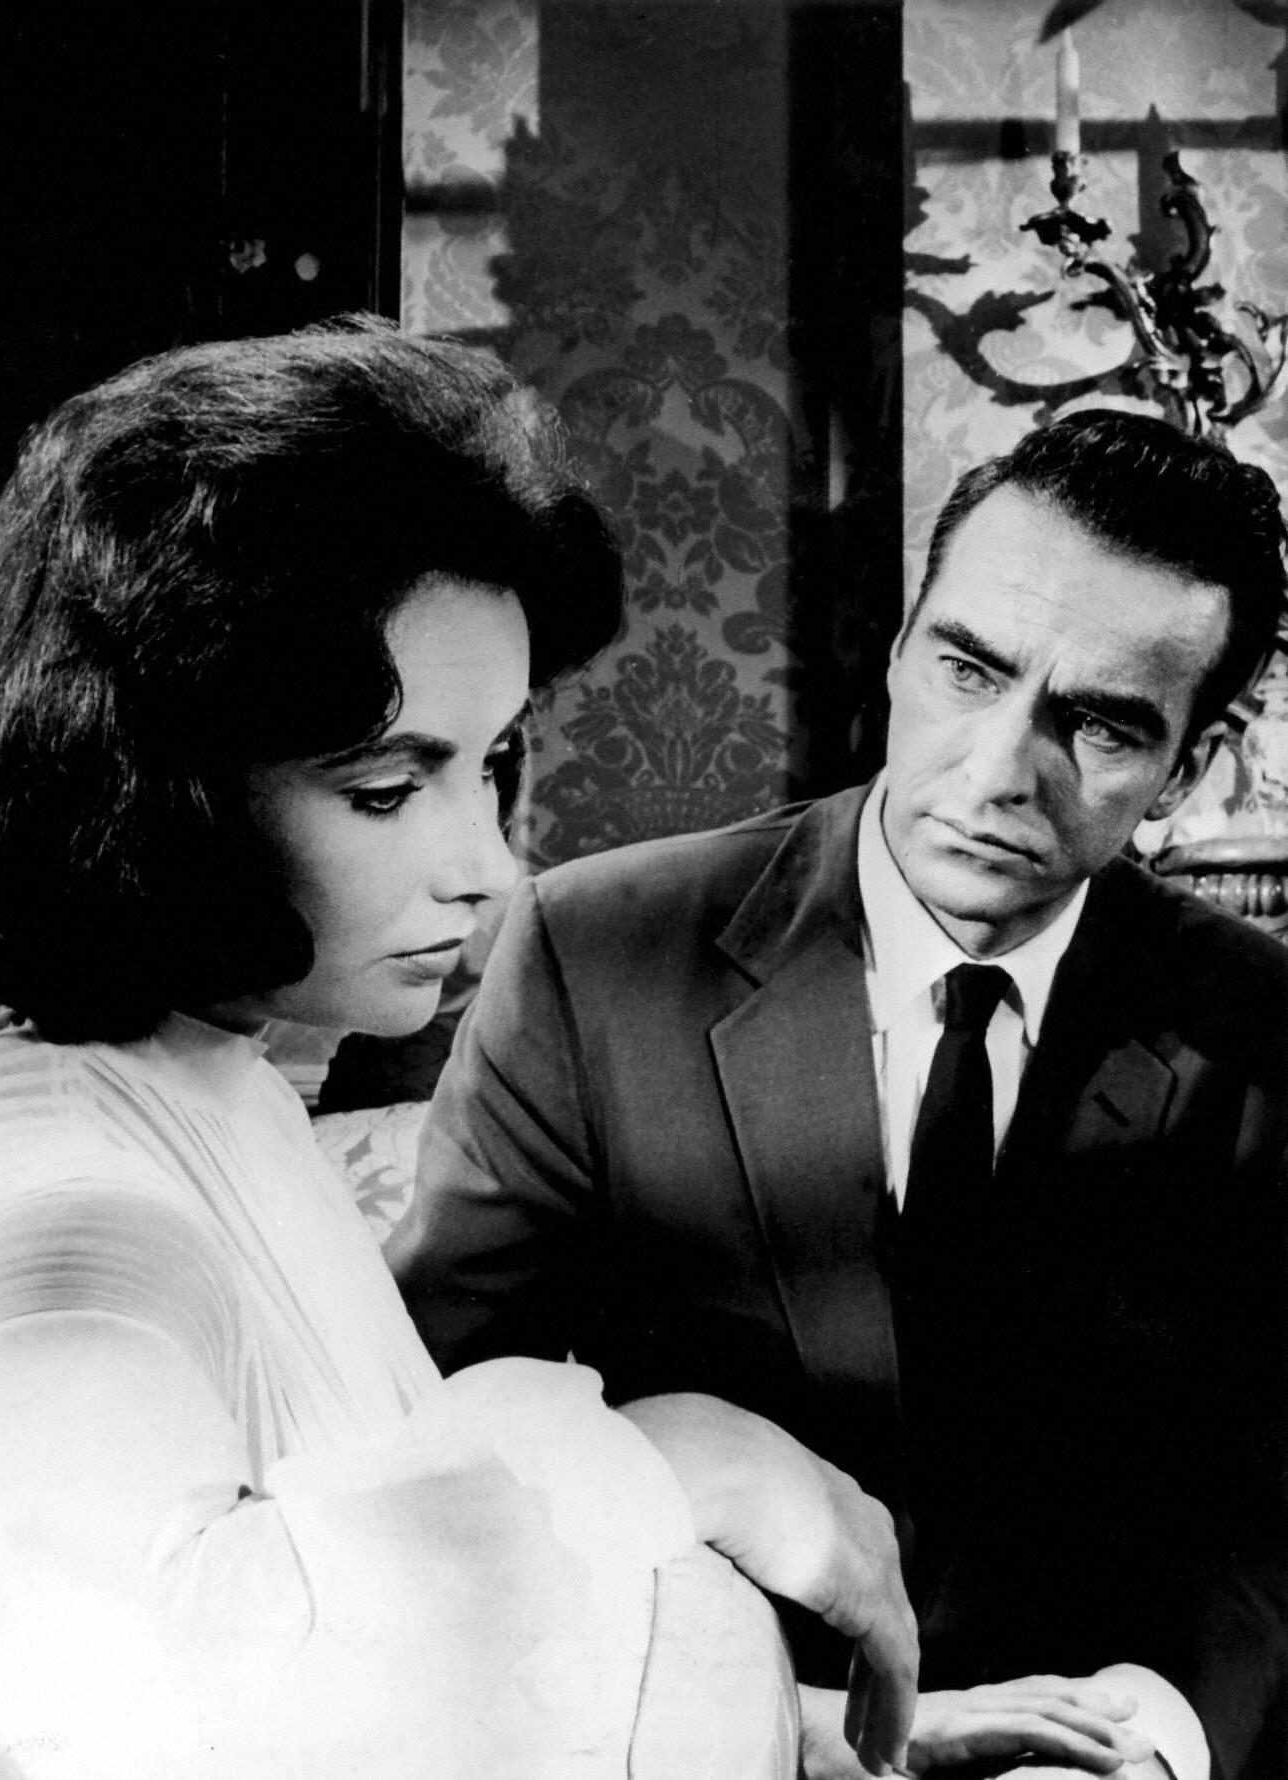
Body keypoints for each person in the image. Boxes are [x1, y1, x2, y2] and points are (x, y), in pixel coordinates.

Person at [0, 317, 921, 1780]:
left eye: (495, 764)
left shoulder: (213, 1071)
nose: (488, 869)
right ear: (161, 779)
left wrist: (826, 1739)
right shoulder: (69, 1215)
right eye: (389, 790)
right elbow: (126, 1714)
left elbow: (369, 1613)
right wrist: (675, 1459)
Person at [395, 409, 1288, 1780]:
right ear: (897, 650)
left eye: (1100, 725)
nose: (997, 773)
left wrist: (1153, 1738)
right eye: (967, 670)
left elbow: (1269, 1504)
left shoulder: (1263, 1031)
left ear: (1195, 768)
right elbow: (442, 1428)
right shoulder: (598, 953)